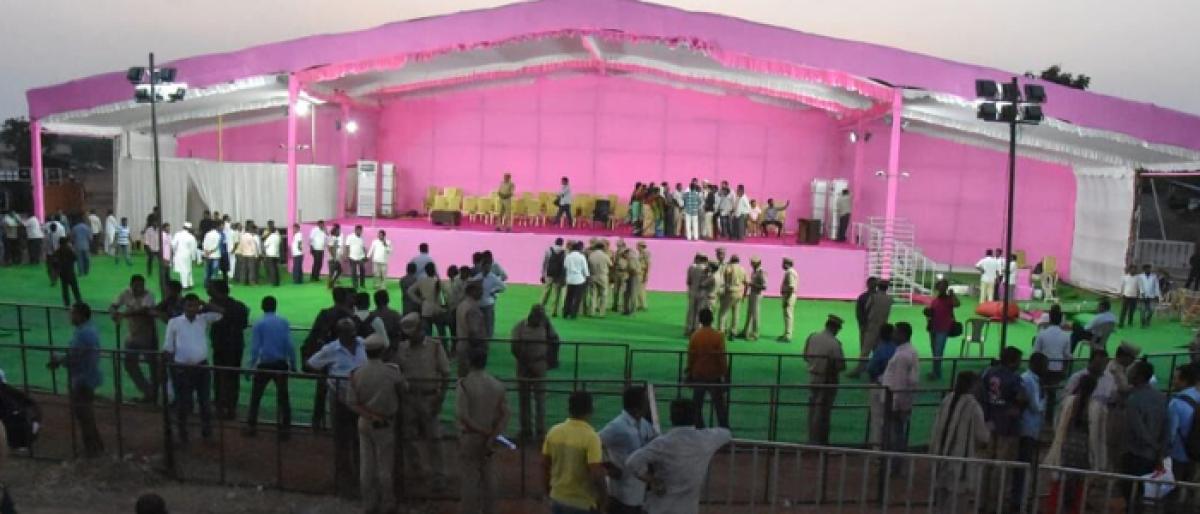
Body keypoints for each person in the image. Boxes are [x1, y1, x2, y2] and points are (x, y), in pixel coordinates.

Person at [626, 398, 732, 514]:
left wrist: (652, 480)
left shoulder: (662, 443)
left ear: (671, 418)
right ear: (695, 417)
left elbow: (632, 462)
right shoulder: (706, 439)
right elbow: (726, 433)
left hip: (658, 508)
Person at [307, 318, 368, 497]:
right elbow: (310, 364)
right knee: (341, 440)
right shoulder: (330, 349)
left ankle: (361, 476)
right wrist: (329, 379)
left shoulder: (363, 344)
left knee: (360, 438)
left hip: (361, 399)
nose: (353, 335)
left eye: (353, 331)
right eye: (348, 332)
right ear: (340, 334)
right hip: (340, 399)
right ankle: (344, 479)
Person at [347, 333, 407, 514]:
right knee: (385, 466)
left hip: (365, 421)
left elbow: (352, 402)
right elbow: (404, 391)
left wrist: (370, 416)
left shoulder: (357, 372)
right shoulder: (392, 372)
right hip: (386, 423)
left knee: (366, 466)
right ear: (382, 350)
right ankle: (388, 503)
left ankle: (369, 504)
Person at [391, 311, 451, 490]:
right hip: (409, 399)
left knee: (434, 438)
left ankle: (438, 475)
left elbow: (446, 373)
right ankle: (417, 471)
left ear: (421, 329)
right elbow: (396, 371)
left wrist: (440, 398)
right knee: (408, 437)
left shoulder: (434, 346)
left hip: (429, 397)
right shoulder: (402, 348)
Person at [163, 293, 224, 443]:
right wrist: (173, 369)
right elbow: (168, 348)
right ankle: (182, 434)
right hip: (182, 368)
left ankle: (207, 433)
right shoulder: (174, 322)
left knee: (204, 402)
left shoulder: (203, 319)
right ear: (183, 306)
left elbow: (222, 312)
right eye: (189, 305)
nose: (192, 309)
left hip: (201, 367)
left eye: (195, 305)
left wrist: (205, 304)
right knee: (183, 403)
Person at [456, 346, 509, 514]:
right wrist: (492, 436)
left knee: (470, 479)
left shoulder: (464, 384)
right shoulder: (497, 384)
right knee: (489, 478)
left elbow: (463, 416)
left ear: (469, 362)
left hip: (471, 437)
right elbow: (505, 414)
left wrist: (483, 432)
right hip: (490, 439)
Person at [47, 302, 103, 458]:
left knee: (83, 414)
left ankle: (92, 450)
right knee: (86, 413)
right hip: (86, 376)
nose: (70, 316)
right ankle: (96, 446)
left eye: (73, 313)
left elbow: (73, 355)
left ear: (80, 315)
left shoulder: (83, 333)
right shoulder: (87, 329)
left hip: (82, 378)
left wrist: (58, 359)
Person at [929, 371, 989, 509]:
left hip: (941, 457)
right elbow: (982, 436)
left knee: (940, 500)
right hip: (961, 461)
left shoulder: (947, 399)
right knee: (957, 502)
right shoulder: (973, 406)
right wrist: (990, 428)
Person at [976, 346, 1026, 505]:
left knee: (988, 463)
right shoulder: (1014, 377)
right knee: (1002, 465)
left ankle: (982, 500)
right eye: (1018, 360)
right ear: (1012, 362)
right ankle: (995, 503)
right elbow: (1021, 397)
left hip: (990, 421)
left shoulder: (988, 372)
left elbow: (980, 394)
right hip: (1008, 426)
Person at [543, 391, 608, 514]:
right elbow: (596, 474)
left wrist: (549, 492)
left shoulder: (554, 431)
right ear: (591, 409)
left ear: (569, 408)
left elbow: (545, 465)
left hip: (557, 498)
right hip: (581, 504)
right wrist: (603, 501)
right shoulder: (591, 437)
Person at [1044, 373, 1100, 512]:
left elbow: (1057, 423)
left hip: (1065, 447)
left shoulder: (1068, 401)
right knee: (1078, 485)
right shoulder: (1095, 407)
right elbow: (1096, 433)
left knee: (1060, 482)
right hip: (1083, 450)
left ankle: (1055, 509)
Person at [243, 296, 296, 439]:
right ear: (275, 306)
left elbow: (255, 348)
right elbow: (289, 344)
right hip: (281, 364)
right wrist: (294, 363)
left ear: (262, 307)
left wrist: (250, 366)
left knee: (256, 397)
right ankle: (285, 430)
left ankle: (251, 426)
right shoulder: (283, 322)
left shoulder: (259, 323)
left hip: (264, 364)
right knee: (283, 397)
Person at [599, 387, 657, 514]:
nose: (648, 404)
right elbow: (594, 444)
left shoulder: (644, 424)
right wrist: (607, 466)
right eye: (646, 401)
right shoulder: (617, 426)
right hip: (621, 496)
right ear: (638, 405)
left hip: (640, 494)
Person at [1121, 361, 1169, 511]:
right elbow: (1166, 426)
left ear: (1139, 377)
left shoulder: (1133, 399)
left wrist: (1154, 445)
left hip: (1135, 453)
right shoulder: (1161, 397)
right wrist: (1159, 450)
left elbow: (1138, 429)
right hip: (1152, 454)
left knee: (1131, 493)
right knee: (1144, 494)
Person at [510, 304, 559, 439]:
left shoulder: (546, 325)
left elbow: (555, 340)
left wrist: (550, 361)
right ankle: (525, 430)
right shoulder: (520, 326)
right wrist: (525, 361)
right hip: (523, 366)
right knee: (524, 399)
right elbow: (514, 347)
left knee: (540, 399)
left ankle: (540, 430)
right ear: (531, 315)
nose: (540, 319)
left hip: (539, 365)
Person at [110, 275, 159, 403]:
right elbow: (114, 304)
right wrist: (113, 312)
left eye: (142, 286)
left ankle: (156, 393)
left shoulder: (149, 295)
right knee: (129, 363)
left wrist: (124, 314)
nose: (140, 288)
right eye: (136, 286)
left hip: (148, 336)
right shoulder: (125, 293)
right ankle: (148, 391)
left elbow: (143, 310)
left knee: (153, 365)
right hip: (132, 336)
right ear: (131, 285)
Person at [206, 280, 249, 421]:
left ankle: (227, 407)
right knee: (227, 377)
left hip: (229, 347)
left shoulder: (235, 307)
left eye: (211, 289)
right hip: (228, 347)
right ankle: (227, 406)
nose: (208, 291)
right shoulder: (239, 306)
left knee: (225, 377)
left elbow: (239, 320)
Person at [803, 315, 847, 444]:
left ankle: (811, 439)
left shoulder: (812, 337)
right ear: (835, 328)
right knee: (823, 413)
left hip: (813, 377)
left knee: (812, 411)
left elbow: (805, 356)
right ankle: (820, 442)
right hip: (827, 379)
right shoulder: (834, 343)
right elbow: (840, 366)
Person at [880, 323, 918, 460]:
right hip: (902, 399)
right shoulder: (909, 351)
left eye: (895, 332)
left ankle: (894, 465)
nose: (892, 335)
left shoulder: (902, 355)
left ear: (902, 334)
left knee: (894, 433)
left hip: (895, 401)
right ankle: (896, 463)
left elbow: (899, 382)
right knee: (897, 431)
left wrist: (895, 404)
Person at [686, 309, 729, 429]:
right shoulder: (718, 336)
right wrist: (726, 375)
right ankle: (724, 430)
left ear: (700, 320)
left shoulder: (695, 336)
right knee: (719, 407)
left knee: (697, 406)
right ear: (712, 319)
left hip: (699, 374)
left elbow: (691, 356)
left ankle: (700, 429)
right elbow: (722, 358)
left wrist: (689, 372)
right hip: (714, 376)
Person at [849, 280, 892, 378]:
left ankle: (859, 370)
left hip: (871, 326)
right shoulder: (890, 299)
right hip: (883, 326)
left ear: (878, 286)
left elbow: (866, 310)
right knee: (879, 349)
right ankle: (879, 370)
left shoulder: (873, 297)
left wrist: (864, 323)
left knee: (865, 350)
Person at [866, 324, 897, 448]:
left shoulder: (880, 349)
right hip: (895, 387)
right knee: (891, 419)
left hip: (879, 385)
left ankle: (877, 450)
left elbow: (871, 368)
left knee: (877, 418)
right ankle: (890, 447)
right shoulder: (897, 349)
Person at [926, 279, 960, 380]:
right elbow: (931, 313)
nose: (941, 288)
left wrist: (953, 294)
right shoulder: (935, 300)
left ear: (945, 288)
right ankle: (935, 371)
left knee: (938, 351)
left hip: (943, 329)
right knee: (935, 351)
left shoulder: (949, 299)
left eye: (943, 286)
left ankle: (937, 373)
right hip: (933, 328)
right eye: (940, 286)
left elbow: (957, 304)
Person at [1033, 306, 1073, 389]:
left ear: (1050, 319)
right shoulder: (1066, 336)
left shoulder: (1042, 334)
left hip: (1043, 370)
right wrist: (1063, 371)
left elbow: (1036, 353)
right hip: (1057, 370)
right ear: (1061, 320)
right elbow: (1067, 356)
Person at [455, 281, 488, 376]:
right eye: (480, 290)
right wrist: (481, 348)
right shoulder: (472, 308)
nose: (482, 292)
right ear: (472, 291)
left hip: (462, 344)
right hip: (471, 348)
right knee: (473, 377)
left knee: (462, 376)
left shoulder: (462, 305)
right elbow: (474, 331)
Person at [473, 259, 506, 337]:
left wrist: (494, 291)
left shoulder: (493, 277)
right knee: (479, 323)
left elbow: (503, 287)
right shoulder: (478, 277)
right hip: (478, 304)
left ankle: (488, 339)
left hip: (488, 304)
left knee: (488, 324)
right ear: (482, 267)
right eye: (485, 267)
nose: (487, 269)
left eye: (488, 267)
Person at [738, 256, 766, 341]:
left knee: (755, 315)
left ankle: (755, 334)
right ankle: (746, 331)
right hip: (752, 294)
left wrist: (751, 284)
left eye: (753, 263)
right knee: (749, 314)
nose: (751, 265)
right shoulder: (754, 272)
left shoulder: (761, 273)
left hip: (757, 294)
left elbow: (764, 286)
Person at [718, 254, 746, 339]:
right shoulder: (742, 269)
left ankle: (721, 330)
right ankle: (733, 331)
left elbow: (722, 279)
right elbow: (746, 282)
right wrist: (744, 294)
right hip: (739, 292)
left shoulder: (728, 268)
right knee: (736, 313)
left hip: (730, 292)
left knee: (723, 312)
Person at [683, 254, 710, 336]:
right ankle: (697, 329)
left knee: (691, 311)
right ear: (705, 261)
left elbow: (688, 281)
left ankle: (689, 328)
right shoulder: (707, 269)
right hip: (702, 293)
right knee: (699, 312)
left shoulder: (691, 268)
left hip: (692, 291)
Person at [52, 238, 82, 307]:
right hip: (70, 272)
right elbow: (75, 258)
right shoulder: (69, 250)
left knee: (65, 290)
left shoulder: (57, 251)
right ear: (66, 243)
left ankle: (67, 304)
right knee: (75, 289)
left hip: (62, 273)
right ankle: (79, 302)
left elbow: (54, 263)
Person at [563, 241, 589, 319]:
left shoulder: (568, 256)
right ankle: (573, 314)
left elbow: (565, 266)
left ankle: (566, 312)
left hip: (570, 279)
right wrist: (587, 276)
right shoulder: (581, 257)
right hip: (579, 279)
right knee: (577, 298)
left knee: (568, 297)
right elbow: (585, 269)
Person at [541, 238, 567, 316]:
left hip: (549, 273)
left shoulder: (549, 250)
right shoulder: (564, 252)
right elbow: (564, 265)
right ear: (562, 243)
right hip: (558, 275)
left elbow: (545, 263)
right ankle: (554, 311)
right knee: (556, 293)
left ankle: (541, 308)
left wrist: (543, 274)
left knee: (546, 292)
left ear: (555, 242)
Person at [587, 240, 611, 317]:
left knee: (592, 294)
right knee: (603, 294)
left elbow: (588, 264)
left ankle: (591, 312)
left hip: (593, 275)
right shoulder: (605, 255)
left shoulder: (591, 255)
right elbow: (611, 264)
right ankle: (602, 312)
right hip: (603, 276)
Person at [171, 223, 199, 289]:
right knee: (187, 269)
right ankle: (187, 284)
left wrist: (175, 252)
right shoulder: (191, 237)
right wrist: (194, 258)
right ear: (189, 229)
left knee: (183, 270)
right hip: (187, 255)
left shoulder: (177, 234)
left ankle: (187, 285)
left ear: (183, 227)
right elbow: (193, 249)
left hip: (179, 254)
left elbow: (173, 244)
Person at [777, 257, 798, 342]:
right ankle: (786, 333)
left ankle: (788, 335)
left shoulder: (790, 272)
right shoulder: (791, 272)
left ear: (787, 264)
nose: (782, 265)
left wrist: (787, 299)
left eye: (783, 263)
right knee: (787, 315)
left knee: (788, 315)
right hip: (789, 295)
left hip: (789, 296)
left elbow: (791, 287)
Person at [344, 225, 367, 289]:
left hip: (361, 257)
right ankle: (355, 285)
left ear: (361, 231)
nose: (359, 231)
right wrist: (346, 255)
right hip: (352, 257)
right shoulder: (350, 237)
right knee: (353, 272)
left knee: (362, 270)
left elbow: (363, 248)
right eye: (358, 230)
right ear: (355, 230)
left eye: (360, 230)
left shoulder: (362, 239)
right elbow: (347, 247)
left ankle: (362, 284)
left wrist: (365, 255)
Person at [326, 224, 344, 288]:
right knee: (332, 273)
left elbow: (334, 247)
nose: (339, 232)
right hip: (332, 259)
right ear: (335, 231)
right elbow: (329, 248)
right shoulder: (332, 238)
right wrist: (333, 257)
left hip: (335, 258)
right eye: (338, 231)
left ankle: (332, 283)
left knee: (339, 271)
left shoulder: (336, 238)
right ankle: (329, 285)